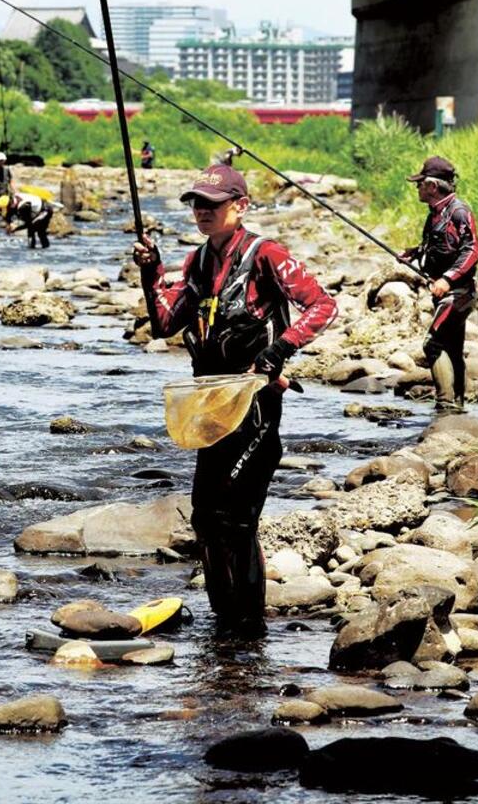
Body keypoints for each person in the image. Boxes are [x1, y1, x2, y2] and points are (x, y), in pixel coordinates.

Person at [133, 164, 337, 637]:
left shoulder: (265, 254)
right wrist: (152, 272)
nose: (202, 211)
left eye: (213, 203)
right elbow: (165, 323)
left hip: (255, 406)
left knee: (236, 518)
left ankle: (248, 631)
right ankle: (226, 624)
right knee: (205, 516)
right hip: (211, 405)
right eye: (196, 203)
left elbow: (322, 305)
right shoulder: (198, 262)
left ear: (240, 206)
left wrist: (278, 351)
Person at [400, 156, 478, 412]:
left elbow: (472, 249)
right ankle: (458, 407)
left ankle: (445, 405)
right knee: (453, 348)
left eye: (420, 182)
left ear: (432, 187)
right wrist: (414, 252)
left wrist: (447, 278)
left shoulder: (459, 211)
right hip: (447, 293)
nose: (417, 187)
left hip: (459, 294)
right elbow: (439, 244)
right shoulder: (435, 213)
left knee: (433, 344)